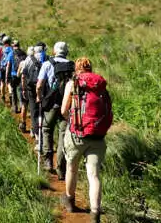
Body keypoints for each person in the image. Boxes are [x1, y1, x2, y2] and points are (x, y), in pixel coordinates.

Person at [60, 57, 112, 222]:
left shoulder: (72, 84)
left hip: (77, 134)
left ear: (77, 69)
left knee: (71, 168)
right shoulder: (100, 86)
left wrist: (72, 121)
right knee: (94, 175)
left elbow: (63, 111)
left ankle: (70, 201)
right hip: (97, 136)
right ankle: (95, 213)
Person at [35, 42, 74, 179]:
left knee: (47, 129)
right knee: (63, 134)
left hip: (51, 103)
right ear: (66, 51)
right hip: (67, 104)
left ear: (54, 51)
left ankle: (48, 161)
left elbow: (39, 85)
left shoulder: (47, 64)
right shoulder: (71, 65)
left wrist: (39, 97)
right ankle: (61, 168)